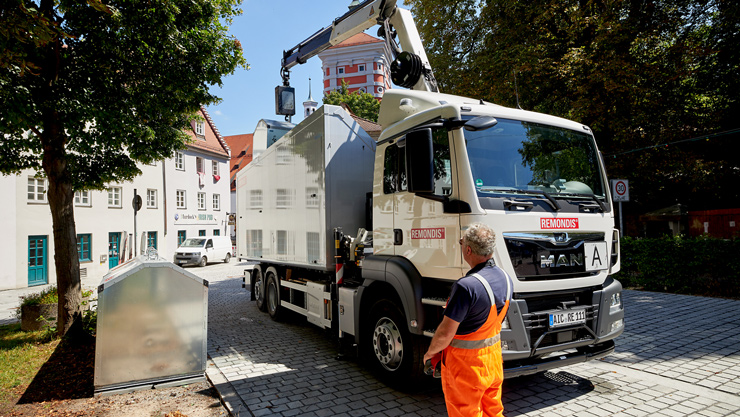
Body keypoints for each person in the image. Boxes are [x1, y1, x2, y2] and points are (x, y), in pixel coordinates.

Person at [423, 223, 513, 417]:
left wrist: (430, 353)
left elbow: (446, 333)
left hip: (465, 369)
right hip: (493, 363)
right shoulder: (506, 278)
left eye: (461, 242)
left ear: (468, 250)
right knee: (494, 411)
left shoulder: (466, 287)